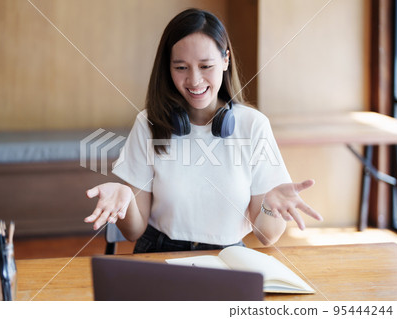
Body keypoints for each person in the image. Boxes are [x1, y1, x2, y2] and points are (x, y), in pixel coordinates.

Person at [84, 8, 323, 253]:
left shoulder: (253, 126)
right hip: (159, 251)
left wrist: (269, 207)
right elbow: (134, 230)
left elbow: (267, 237)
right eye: (181, 68)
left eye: (205, 65)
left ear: (225, 60)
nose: (194, 80)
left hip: (227, 254)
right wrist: (125, 199)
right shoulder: (149, 123)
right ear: (168, 68)